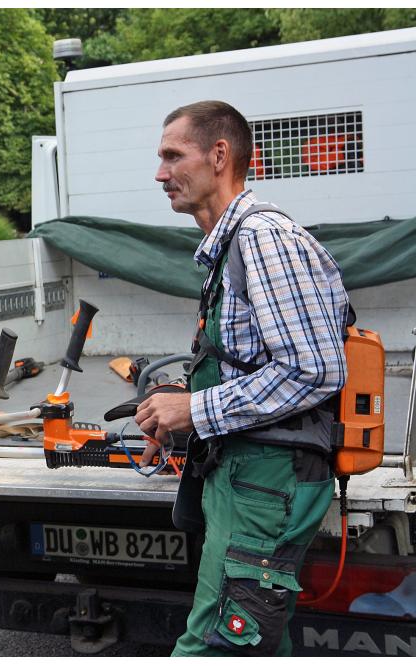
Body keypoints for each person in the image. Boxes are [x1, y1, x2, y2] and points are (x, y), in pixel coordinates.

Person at [135, 101, 350, 656]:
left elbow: (314, 370)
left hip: (268, 480)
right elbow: (256, 364)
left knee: (215, 646)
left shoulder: (263, 239)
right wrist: (180, 405)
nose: (160, 174)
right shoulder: (231, 246)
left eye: (172, 156)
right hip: (248, 477)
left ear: (220, 155)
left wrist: (197, 411)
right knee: (245, 642)